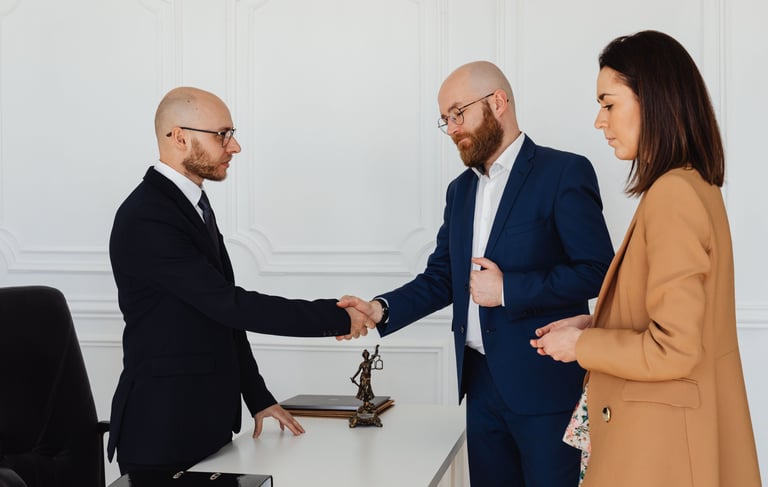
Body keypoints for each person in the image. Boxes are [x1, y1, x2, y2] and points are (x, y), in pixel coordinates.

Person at [340, 61, 615, 486]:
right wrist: (380, 309)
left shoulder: (564, 172)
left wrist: (509, 290)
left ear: (497, 103)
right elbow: (442, 278)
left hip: (545, 386)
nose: (451, 128)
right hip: (479, 385)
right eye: (445, 119)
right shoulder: (460, 190)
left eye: (457, 113)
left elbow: (597, 271)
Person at [530, 30, 762, 487]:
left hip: (660, 452)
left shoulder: (674, 195)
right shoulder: (694, 186)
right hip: (667, 441)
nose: (600, 121)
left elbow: (674, 348)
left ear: (654, 100)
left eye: (609, 103)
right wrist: (594, 325)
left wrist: (583, 347)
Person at [107, 87, 371, 474]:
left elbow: (221, 317)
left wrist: (258, 396)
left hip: (204, 427)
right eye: (222, 135)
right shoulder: (148, 216)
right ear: (180, 137)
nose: (235, 147)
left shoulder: (190, 203)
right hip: (162, 433)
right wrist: (337, 316)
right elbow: (230, 304)